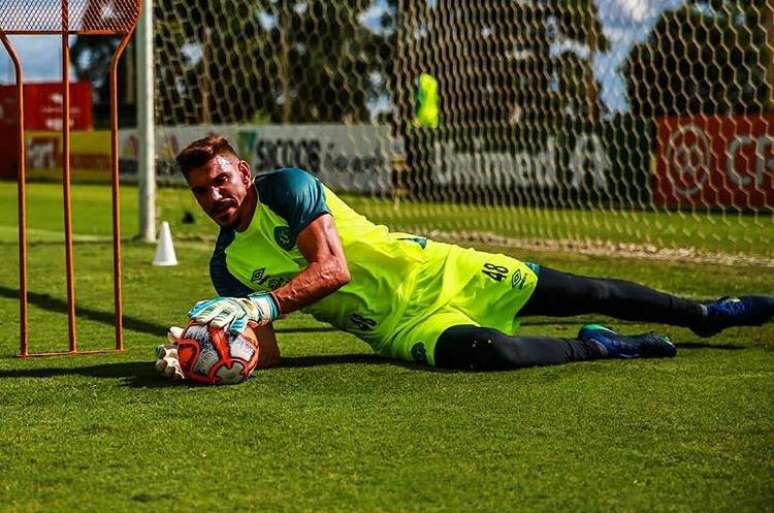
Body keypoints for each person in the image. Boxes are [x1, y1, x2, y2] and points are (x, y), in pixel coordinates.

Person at [158, 135, 774, 375]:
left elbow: (333, 269)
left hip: (442, 268)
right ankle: (602, 345)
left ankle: (705, 313)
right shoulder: (224, 265)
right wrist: (207, 349)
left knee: (591, 289)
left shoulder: (287, 187)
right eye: (200, 191)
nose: (213, 197)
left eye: (220, 181)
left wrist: (262, 303)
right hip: (401, 328)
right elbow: (265, 348)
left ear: (241, 170)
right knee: (494, 353)